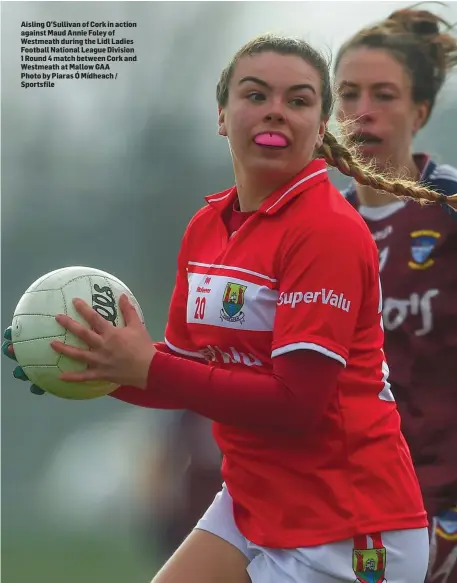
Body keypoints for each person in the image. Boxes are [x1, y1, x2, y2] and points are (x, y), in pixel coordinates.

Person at [4, 34, 457, 583]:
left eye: (298, 100)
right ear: (222, 115)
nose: (275, 111)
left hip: (350, 527)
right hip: (253, 504)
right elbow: (185, 376)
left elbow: (298, 404)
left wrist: (143, 364)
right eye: (256, 94)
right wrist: (97, 364)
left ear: (321, 128)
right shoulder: (206, 229)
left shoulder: (328, 232)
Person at [333, 7, 457, 582]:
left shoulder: (450, 210)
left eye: (384, 94)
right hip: (356, 501)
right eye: (349, 93)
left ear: (420, 111)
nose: (364, 110)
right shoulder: (318, 225)